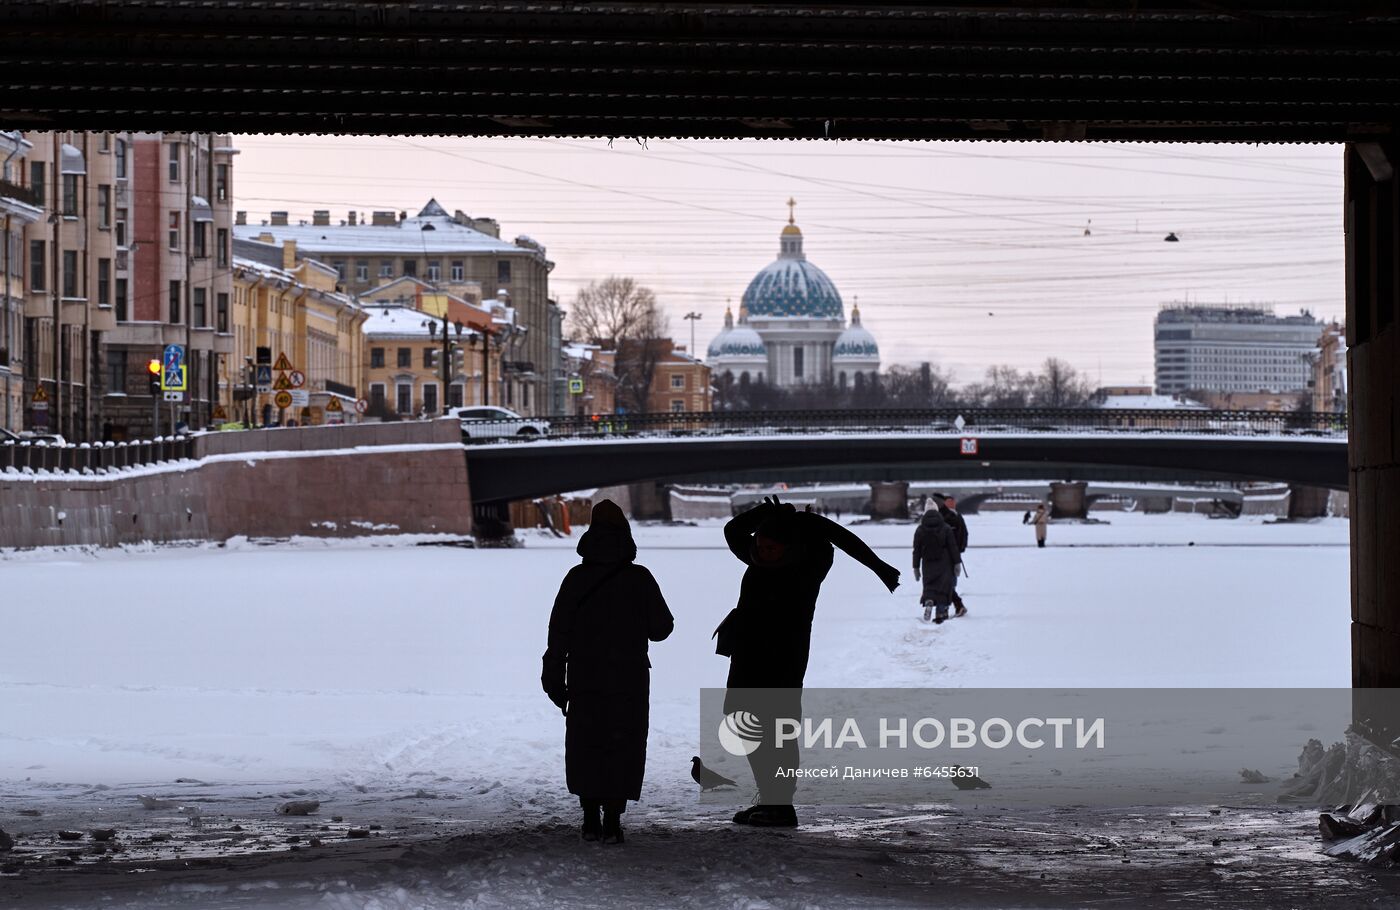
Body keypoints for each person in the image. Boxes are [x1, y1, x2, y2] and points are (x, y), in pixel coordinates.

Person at [716, 496, 900, 828]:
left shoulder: (806, 568)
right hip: (747, 653)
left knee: (777, 729)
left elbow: (827, 545)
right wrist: (767, 512)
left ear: (789, 546)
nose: (763, 551)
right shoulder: (757, 558)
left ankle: (779, 803)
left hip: (784, 657)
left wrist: (807, 524)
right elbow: (733, 530)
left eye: (773, 547)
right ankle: (771, 797)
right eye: (761, 543)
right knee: (741, 721)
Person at [542, 500, 674, 845]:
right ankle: (613, 819)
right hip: (628, 678)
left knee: (587, 742)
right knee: (623, 742)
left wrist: (554, 673)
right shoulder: (639, 578)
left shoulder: (576, 578)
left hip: (585, 675)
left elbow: (558, 632)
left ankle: (589, 818)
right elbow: (662, 629)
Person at [913, 508, 961, 623]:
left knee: (929, 585)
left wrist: (916, 567)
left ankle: (929, 600)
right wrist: (957, 563)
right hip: (944, 562)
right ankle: (940, 612)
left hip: (927, 562)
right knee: (943, 587)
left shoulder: (920, 530)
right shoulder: (946, 528)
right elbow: (953, 547)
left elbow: (916, 550)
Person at [932, 493, 969, 617]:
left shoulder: (946, 516)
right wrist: (960, 549)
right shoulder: (957, 516)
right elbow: (964, 534)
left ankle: (950, 606)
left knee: (944, 581)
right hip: (954, 553)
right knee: (949, 581)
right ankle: (953, 605)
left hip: (946, 554)